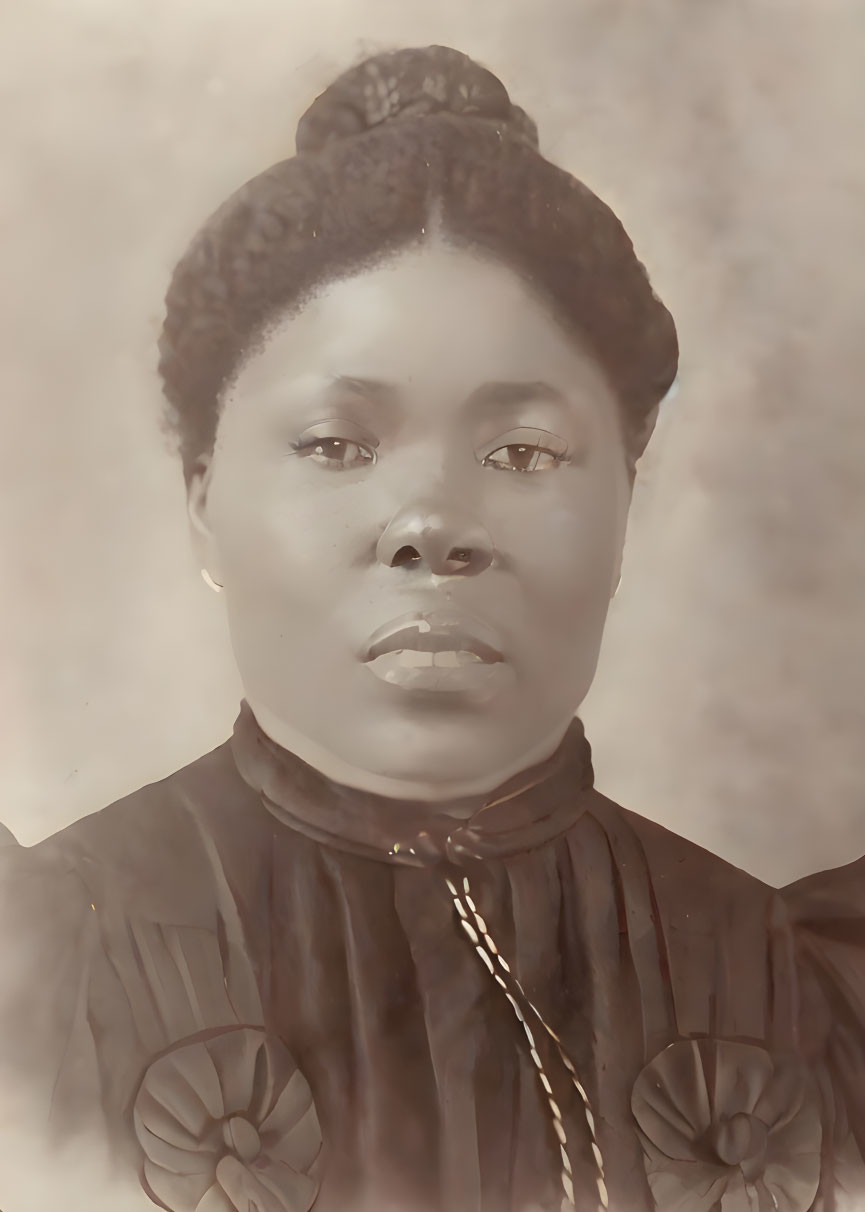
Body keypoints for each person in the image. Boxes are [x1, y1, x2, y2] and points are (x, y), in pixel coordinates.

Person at [0, 43, 863, 1212]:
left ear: (624, 497)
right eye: (335, 445)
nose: (431, 525)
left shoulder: (802, 997)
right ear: (205, 502)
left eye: (523, 452)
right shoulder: (39, 978)